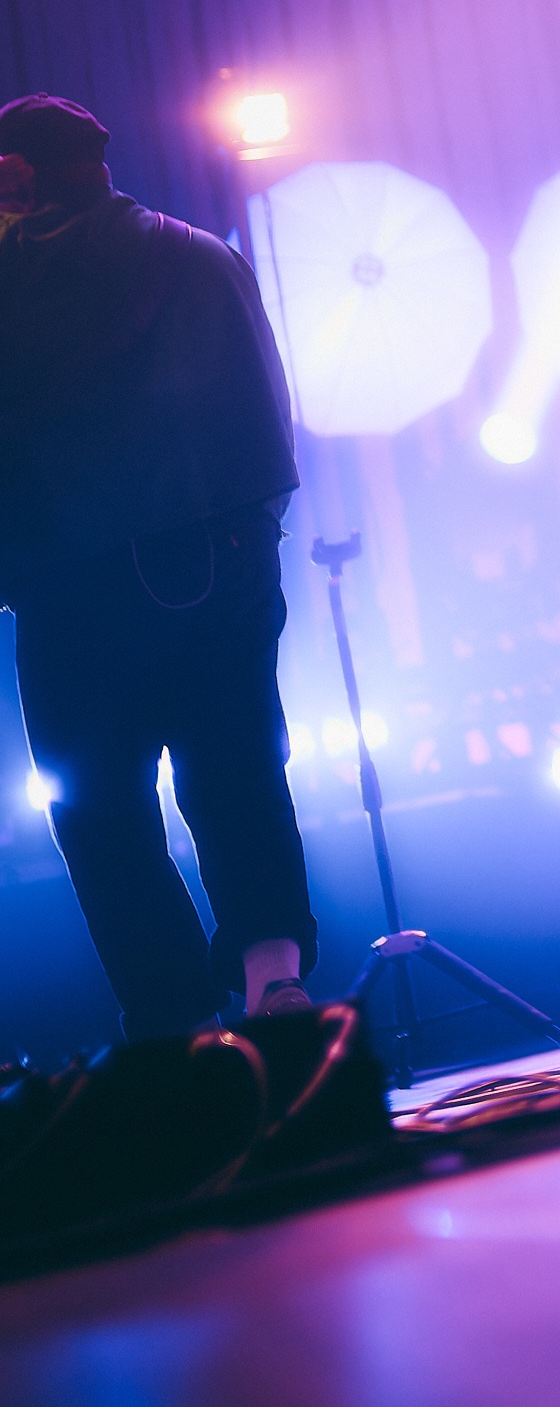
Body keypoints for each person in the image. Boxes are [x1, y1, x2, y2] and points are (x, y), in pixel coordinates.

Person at [0, 94, 318, 1041]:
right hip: (213, 566)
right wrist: (249, 552)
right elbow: (266, 430)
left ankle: (175, 1021)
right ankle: (273, 980)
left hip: (68, 589)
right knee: (239, 774)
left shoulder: (12, 284)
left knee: (100, 814)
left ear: (18, 176)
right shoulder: (197, 254)